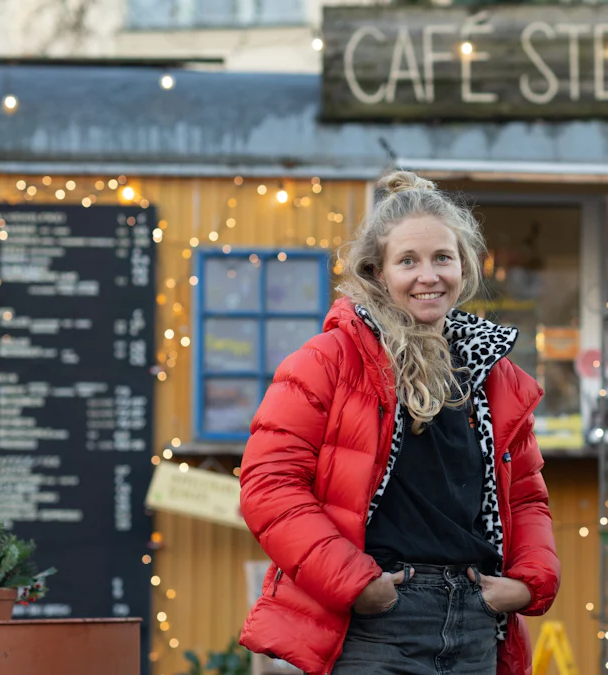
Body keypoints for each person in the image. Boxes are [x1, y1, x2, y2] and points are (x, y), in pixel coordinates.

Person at [238, 171, 560, 675]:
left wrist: (529, 582)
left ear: (465, 266)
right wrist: (357, 584)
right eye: (407, 261)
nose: (427, 276)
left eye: (442, 258)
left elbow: (526, 497)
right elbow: (269, 485)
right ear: (377, 271)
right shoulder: (328, 360)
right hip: (376, 625)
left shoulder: (496, 375)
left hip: (475, 620)